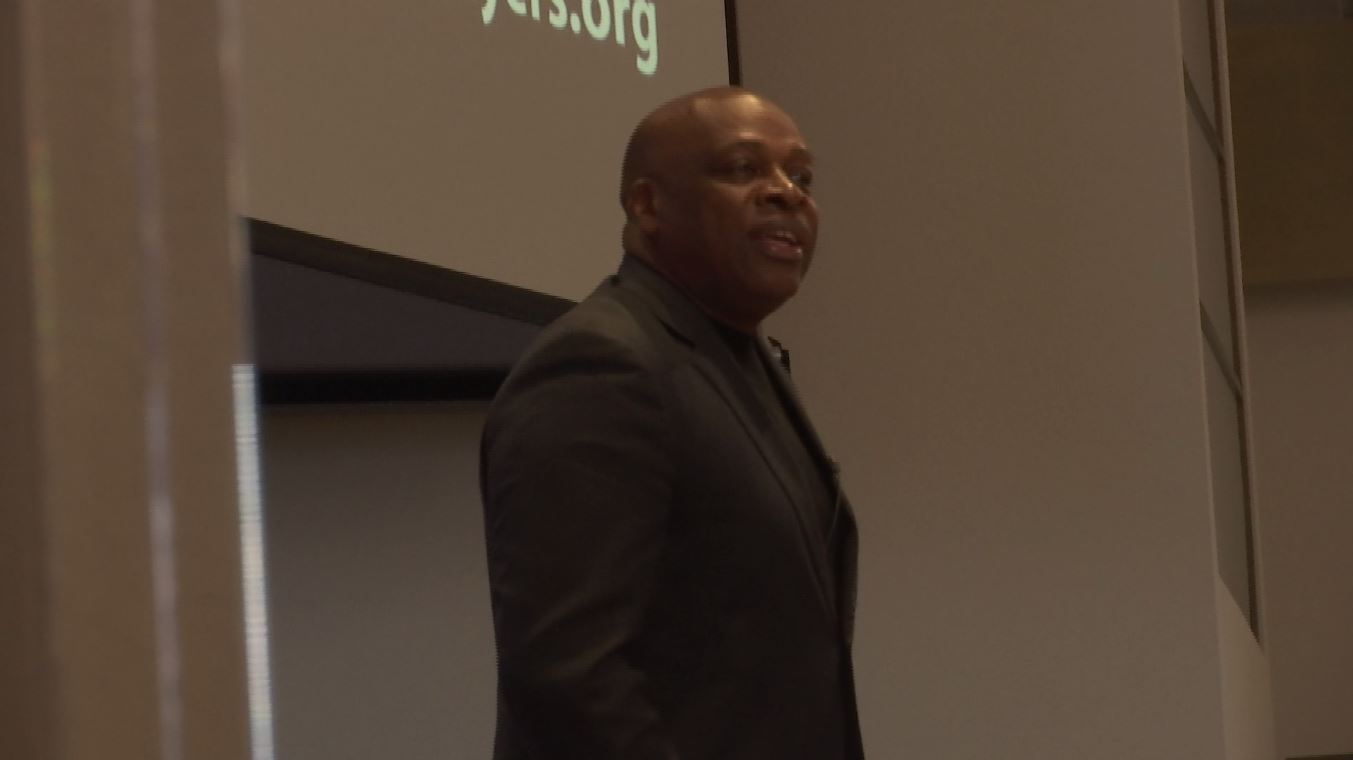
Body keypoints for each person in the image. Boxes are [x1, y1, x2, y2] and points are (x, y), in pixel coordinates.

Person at [480, 86, 863, 760]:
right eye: (743, 169)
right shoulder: (602, 366)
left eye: (800, 176)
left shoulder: (738, 358)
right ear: (647, 205)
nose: (786, 194)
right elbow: (567, 674)